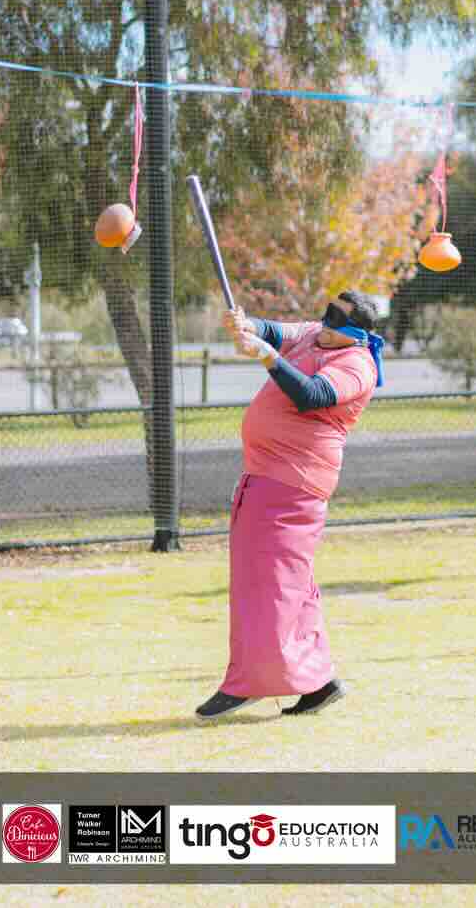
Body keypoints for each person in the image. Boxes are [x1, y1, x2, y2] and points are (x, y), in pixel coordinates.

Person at [194, 288, 387, 720]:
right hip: (267, 475)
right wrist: (245, 326)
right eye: (328, 311)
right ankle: (317, 683)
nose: (326, 321)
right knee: (290, 583)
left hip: (293, 481)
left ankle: (252, 682)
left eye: (337, 318)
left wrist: (265, 355)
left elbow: (311, 395)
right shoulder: (314, 335)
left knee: (268, 585)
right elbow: (272, 330)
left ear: (356, 332)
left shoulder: (358, 365)